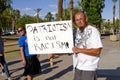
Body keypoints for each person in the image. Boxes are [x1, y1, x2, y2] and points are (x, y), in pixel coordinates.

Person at [72, 11, 103, 80]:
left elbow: (97, 51)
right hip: (78, 67)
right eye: (77, 20)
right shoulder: (75, 32)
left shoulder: (93, 31)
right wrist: (55, 53)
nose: (79, 21)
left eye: (81, 19)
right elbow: (70, 48)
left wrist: (79, 50)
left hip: (89, 69)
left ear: (86, 19)